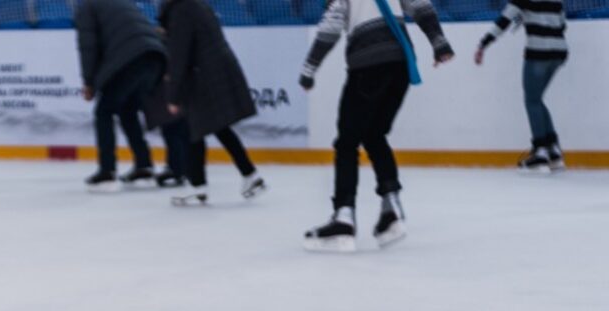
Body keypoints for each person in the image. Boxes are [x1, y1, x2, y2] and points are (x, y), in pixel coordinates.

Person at [300, 0, 453, 251]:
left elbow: (332, 24)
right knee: (374, 135)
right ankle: (391, 207)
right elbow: (421, 5)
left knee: (347, 142)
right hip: (400, 65)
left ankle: (343, 217)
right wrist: (438, 41)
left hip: (368, 64)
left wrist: (309, 68)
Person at [159, 0, 267, 204]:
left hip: (204, 75)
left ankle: (198, 186)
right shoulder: (195, 5)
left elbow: (180, 54)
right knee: (218, 127)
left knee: (194, 129)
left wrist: (173, 94)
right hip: (214, 71)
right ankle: (250, 175)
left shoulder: (181, 10)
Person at [74, 0, 167, 190]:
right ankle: (144, 165)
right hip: (154, 58)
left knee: (104, 112)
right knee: (128, 112)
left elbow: (88, 45)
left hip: (130, 59)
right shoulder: (123, 3)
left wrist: (89, 82)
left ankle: (107, 170)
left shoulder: (87, 7)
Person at [475, 0, 568, 172]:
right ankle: (554, 151)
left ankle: (540, 152)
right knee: (537, 100)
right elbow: (562, 24)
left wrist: (483, 44)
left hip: (538, 52)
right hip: (559, 51)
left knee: (532, 100)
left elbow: (504, 20)